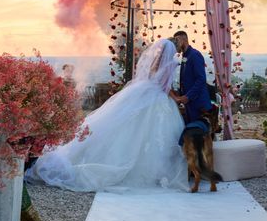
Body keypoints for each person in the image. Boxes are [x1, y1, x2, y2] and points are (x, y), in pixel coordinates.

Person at [25, 39, 188, 192]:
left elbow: (152, 80)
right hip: (157, 99)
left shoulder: (153, 63)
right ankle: (155, 172)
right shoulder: (170, 64)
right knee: (149, 133)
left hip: (143, 92)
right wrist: (177, 98)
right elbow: (165, 87)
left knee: (127, 128)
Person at [172, 31, 212, 123]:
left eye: (176, 40)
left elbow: (201, 79)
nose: (175, 43)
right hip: (189, 104)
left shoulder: (195, 55)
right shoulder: (185, 56)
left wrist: (188, 96)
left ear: (184, 39)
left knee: (198, 133)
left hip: (198, 104)